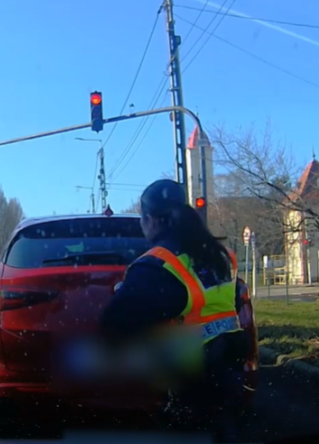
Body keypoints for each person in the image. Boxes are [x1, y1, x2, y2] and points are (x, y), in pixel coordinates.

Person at [100, 179, 247, 443]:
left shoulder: (156, 266)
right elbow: (228, 304)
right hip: (227, 371)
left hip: (187, 382)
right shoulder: (221, 254)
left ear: (150, 220)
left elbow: (114, 324)